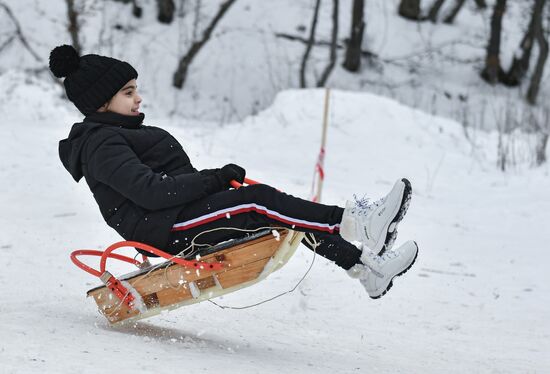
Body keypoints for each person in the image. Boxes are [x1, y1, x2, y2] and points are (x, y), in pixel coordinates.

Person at [51, 44, 418, 299]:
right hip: (164, 229)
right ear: (102, 102)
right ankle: (358, 223)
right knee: (258, 203)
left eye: (136, 90)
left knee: (281, 210)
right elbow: (151, 191)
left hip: (176, 217)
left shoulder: (123, 133)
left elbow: (172, 181)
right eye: (129, 92)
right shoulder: (101, 144)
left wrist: (215, 179)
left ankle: (367, 269)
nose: (139, 99)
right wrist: (211, 180)